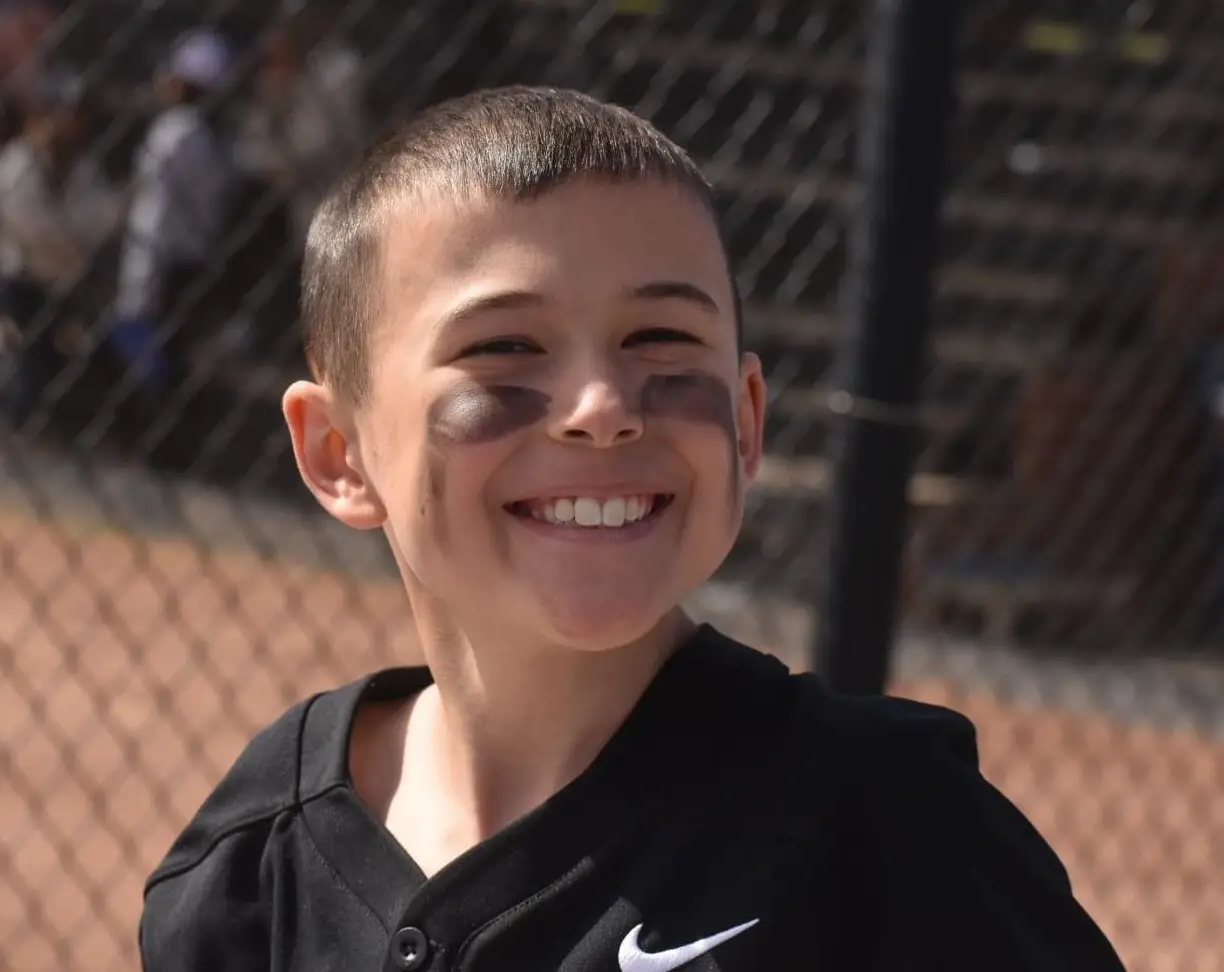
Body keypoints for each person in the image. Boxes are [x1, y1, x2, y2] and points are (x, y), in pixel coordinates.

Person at [138, 87, 1127, 970]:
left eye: (660, 338)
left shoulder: (892, 836)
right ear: (339, 453)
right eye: (504, 345)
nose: (603, 407)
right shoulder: (255, 859)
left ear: (745, 422)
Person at [0, 68, 121, 427]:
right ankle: (19, 426)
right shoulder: (17, 164)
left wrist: (63, 237)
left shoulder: (85, 169)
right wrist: (69, 237)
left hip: (63, 284)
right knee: (30, 357)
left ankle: (40, 425)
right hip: (20, 280)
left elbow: (105, 219)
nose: (71, 124)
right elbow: (30, 232)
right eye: (64, 113)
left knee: (74, 352)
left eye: (78, 116)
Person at [109, 28, 233, 401]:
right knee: (175, 342)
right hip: (190, 251)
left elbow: (155, 204)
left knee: (151, 343)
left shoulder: (174, 130)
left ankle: (148, 406)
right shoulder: (210, 135)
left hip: (161, 254)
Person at [234, 4, 366, 246]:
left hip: (345, 194)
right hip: (304, 211)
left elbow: (321, 143)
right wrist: (273, 102)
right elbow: (248, 155)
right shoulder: (278, 82)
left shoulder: (338, 68)